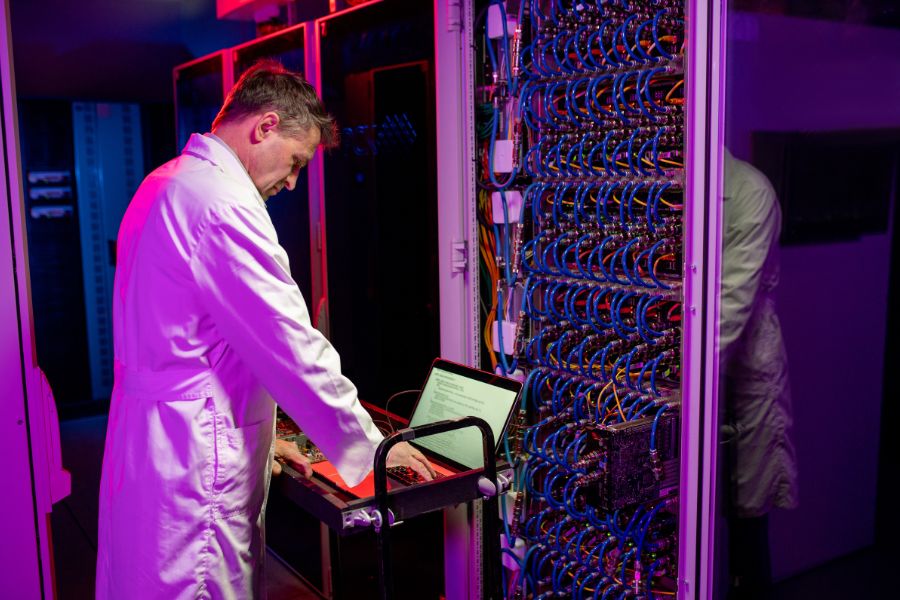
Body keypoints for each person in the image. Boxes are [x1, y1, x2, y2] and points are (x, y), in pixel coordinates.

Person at [95, 60, 435, 599]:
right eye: (297, 161)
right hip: (192, 464)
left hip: (152, 447)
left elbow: (188, 343)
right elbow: (289, 345)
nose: (295, 182)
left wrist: (268, 440)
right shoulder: (222, 204)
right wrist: (372, 448)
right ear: (266, 126)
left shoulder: (166, 183)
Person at [720, 148, 798, 599]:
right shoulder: (676, 189)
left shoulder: (751, 191)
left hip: (748, 366)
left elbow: (730, 304)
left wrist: (679, 385)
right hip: (707, 366)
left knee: (748, 519)